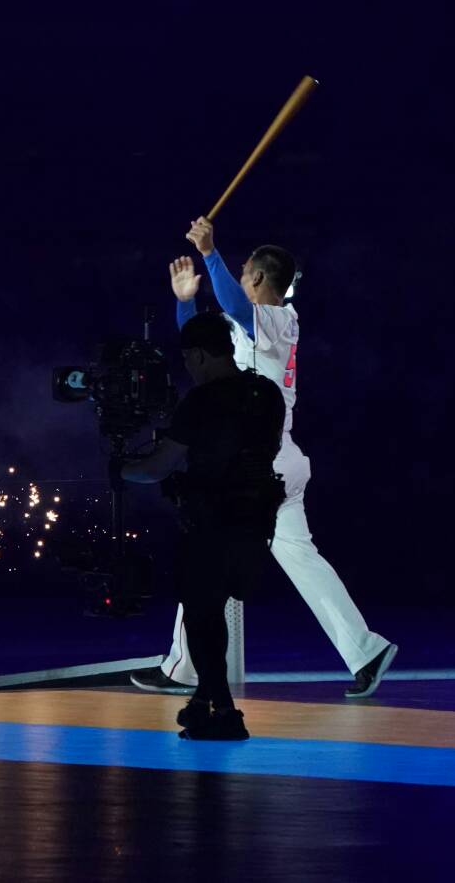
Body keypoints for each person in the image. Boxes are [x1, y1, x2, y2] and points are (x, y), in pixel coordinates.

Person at [129, 217, 398, 699]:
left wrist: (211, 254)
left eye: (241, 269)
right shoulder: (247, 329)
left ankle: (182, 669)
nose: (236, 275)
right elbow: (199, 351)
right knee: (300, 559)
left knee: (206, 551)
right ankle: (366, 649)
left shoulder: (279, 319)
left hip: (260, 465)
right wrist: (185, 299)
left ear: (256, 278)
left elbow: (231, 302)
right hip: (273, 461)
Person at [120, 311, 286, 739]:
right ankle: (203, 703)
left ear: (196, 354)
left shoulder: (203, 401)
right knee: (209, 613)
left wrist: (121, 468)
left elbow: (158, 467)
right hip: (256, 524)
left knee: (202, 614)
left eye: (189, 358)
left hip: (212, 522)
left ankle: (224, 711)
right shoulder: (266, 394)